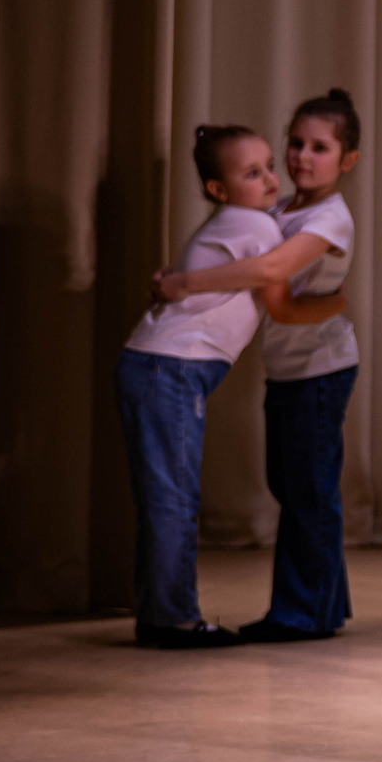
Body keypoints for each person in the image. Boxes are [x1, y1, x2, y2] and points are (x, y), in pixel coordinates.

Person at [119, 124, 345, 648]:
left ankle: (159, 615)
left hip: (155, 368)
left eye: (269, 167)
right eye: (252, 173)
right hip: (170, 369)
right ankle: (175, 620)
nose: (270, 179)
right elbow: (281, 304)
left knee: (163, 497)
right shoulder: (255, 225)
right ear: (219, 189)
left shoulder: (240, 220)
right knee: (173, 499)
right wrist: (337, 302)